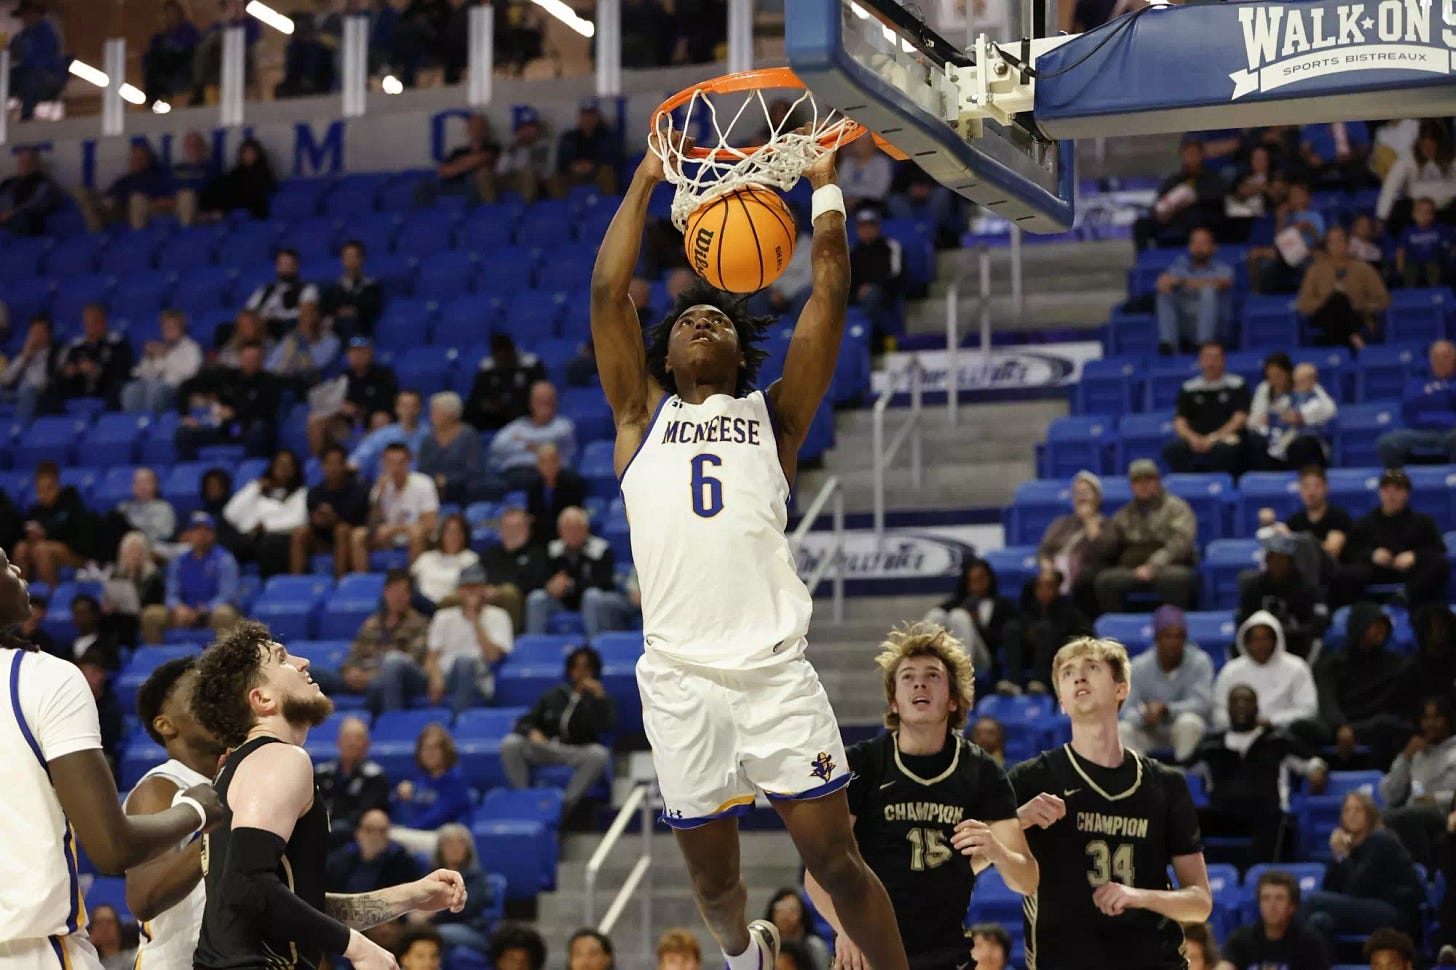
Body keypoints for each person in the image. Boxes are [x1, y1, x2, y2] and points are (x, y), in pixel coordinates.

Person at [592, 139, 909, 970]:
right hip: (679, 676)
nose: (705, 321)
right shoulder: (639, 416)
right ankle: (743, 956)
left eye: (720, 320)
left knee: (837, 863)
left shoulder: (778, 420)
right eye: (692, 319)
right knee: (714, 885)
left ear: (739, 352)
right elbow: (606, 291)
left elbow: (831, 294)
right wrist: (644, 182)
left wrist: (826, 189)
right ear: (665, 357)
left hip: (773, 673)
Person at [190, 621, 467, 970]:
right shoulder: (280, 758)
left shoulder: (246, 766)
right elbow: (247, 886)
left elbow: (288, 907)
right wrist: (360, 949)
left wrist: (408, 896)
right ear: (262, 699)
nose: (304, 661)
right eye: (282, 659)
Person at [0, 546, 223, 970]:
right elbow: (111, 847)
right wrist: (200, 809)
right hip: (29, 949)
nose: (16, 568)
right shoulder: (44, 677)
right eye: (1, 562)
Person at [809, 624, 1036, 970]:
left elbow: (1027, 878)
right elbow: (818, 870)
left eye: (933, 676)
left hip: (945, 953)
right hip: (871, 949)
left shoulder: (982, 771)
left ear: (953, 699)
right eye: (908, 677)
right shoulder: (863, 764)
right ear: (894, 702)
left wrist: (996, 850)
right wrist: (847, 929)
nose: (920, 683)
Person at [1008, 636, 1213, 969]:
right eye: (1068, 672)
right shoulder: (1032, 778)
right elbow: (972, 860)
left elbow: (1200, 903)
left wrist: (1139, 897)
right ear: (1061, 701)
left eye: (1092, 667)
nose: (1079, 676)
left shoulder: (1166, 783)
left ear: (1122, 689)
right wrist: (1018, 820)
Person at [123, 657, 230, 970]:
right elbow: (144, 897)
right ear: (166, 724)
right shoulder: (160, 787)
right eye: (201, 695)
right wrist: (225, 825)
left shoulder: (237, 782)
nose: (216, 703)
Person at [1188, 685, 1327, 865]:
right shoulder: (1212, 745)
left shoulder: (1276, 741)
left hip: (1266, 811)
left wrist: (1318, 772)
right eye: (1235, 701)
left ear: (1257, 707)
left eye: (1247, 701)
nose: (1241, 706)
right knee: (1188, 820)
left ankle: (1262, 874)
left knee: (1276, 820)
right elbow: (1185, 769)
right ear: (1227, 708)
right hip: (1223, 812)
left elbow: (1313, 763)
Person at [500, 645, 615, 816]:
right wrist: (532, 732)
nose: (582, 673)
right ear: (570, 670)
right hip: (547, 747)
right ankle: (523, 799)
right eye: (577, 668)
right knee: (511, 743)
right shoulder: (554, 695)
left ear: (594, 671)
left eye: (587, 668)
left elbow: (606, 726)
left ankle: (563, 807)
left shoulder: (601, 700)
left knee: (599, 754)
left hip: (577, 751)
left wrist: (599, 699)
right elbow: (523, 723)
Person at [1303, 791, 1425, 945]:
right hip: (1365, 909)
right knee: (1319, 920)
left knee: (1314, 901)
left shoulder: (1381, 840)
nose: (1351, 815)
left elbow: (1358, 888)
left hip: (1395, 911)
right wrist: (1337, 856)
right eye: (1347, 810)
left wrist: (1341, 855)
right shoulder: (1349, 846)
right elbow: (1330, 889)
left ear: (1370, 814)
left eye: (1358, 810)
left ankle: (1282, 956)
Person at [1088, 460, 1199, 614]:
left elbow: (1181, 543)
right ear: (1131, 485)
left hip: (1169, 565)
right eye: (1137, 481)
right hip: (1133, 568)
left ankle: (1173, 628)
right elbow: (1112, 546)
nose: (1143, 484)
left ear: (1158, 481)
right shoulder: (1124, 513)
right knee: (1105, 580)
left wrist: (1153, 566)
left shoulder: (1176, 508)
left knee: (1176, 578)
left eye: (1148, 479)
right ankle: (1115, 631)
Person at [1315, 602, 1410, 765]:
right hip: (1340, 724)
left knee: (1389, 725)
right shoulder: (1332, 663)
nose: (1380, 630)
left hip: (1376, 725)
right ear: (1359, 626)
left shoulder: (1396, 663)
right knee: (1302, 728)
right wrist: (1341, 726)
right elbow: (1327, 701)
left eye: (1383, 625)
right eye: (1375, 625)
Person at [1119, 605, 1214, 762]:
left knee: (1190, 722)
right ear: (1156, 638)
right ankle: (1136, 781)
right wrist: (1144, 716)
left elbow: (1202, 704)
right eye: (1167, 636)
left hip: (1181, 728)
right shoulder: (1139, 666)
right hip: (1149, 729)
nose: (1173, 642)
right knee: (1123, 729)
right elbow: (1126, 709)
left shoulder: (1200, 662)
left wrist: (1167, 709)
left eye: (1178, 636)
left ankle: (1185, 777)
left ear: (1185, 639)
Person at [1345, 468, 1450, 608]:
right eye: (1387, 490)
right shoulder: (1365, 523)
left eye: (1397, 490)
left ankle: (1404, 596)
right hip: (1377, 572)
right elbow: (1350, 550)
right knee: (1351, 571)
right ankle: (1350, 607)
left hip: (1413, 576)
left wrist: (1415, 556)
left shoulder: (1423, 522)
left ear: (1406, 493)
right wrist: (1372, 555)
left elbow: (1438, 549)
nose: (1391, 495)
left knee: (1439, 564)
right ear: (1380, 493)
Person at [422, 563, 513, 713]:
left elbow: (493, 657)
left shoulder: (499, 616)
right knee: (394, 662)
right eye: (467, 587)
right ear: (459, 591)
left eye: (476, 587)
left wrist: (475, 621)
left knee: (464, 662)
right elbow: (431, 656)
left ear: (485, 588)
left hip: (478, 678)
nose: (471, 592)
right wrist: (436, 676)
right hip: (444, 676)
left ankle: (460, 721)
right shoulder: (443, 616)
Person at [525, 507, 628, 637]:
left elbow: (605, 583)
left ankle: (594, 646)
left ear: (585, 528)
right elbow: (538, 579)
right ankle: (534, 648)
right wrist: (550, 586)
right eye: (566, 528)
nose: (570, 533)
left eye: (575, 528)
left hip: (589, 602)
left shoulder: (601, 549)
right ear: (560, 531)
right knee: (537, 598)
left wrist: (570, 586)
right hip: (561, 602)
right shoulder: (551, 550)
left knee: (592, 595)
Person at [1380, 696, 1456, 871]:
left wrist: (1435, 798)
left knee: (1407, 814)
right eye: (1425, 719)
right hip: (1411, 817)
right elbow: (1389, 795)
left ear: (1447, 719)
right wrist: (1405, 758)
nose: (1430, 724)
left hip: (1445, 817)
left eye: (1436, 718)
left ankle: (1423, 871)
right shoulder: (1416, 754)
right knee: (1383, 817)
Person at [143, 511, 241, 645]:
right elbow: (171, 592)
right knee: (151, 615)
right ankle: (154, 661)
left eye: (206, 531)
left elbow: (227, 595)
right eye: (196, 530)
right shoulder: (179, 561)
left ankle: (225, 662)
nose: (201, 535)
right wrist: (178, 608)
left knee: (224, 614)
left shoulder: (224, 559)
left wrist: (206, 608)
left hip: (210, 614)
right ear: (189, 534)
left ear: (213, 534)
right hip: (183, 612)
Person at [175, 340, 281, 460]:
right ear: (240, 358)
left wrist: (234, 413)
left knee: (259, 428)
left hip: (245, 429)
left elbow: (265, 410)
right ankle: (187, 472)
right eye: (247, 358)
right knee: (184, 432)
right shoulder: (227, 376)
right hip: (224, 429)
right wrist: (185, 415)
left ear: (261, 360)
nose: (250, 362)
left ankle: (252, 470)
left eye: (255, 358)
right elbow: (187, 385)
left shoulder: (269, 381)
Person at [344, 568, 430, 713]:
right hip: (360, 677)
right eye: (393, 591)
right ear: (385, 593)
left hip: (395, 679)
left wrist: (369, 677)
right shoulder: (371, 623)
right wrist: (351, 672)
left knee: (389, 666)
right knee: (310, 673)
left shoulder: (420, 624)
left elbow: (412, 660)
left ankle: (386, 724)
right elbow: (353, 655)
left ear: (410, 595)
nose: (397, 597)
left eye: (402, 592)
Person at [921, 557, 1019, 681]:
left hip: (983, 658)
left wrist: (976, 623)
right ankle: (925, 668)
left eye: (981, 579)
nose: (977, 584)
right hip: (947, 656)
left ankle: (962, 679)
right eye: (973, 580)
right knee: (936, 614)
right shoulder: (957, 602)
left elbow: (1003, 639)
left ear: (989, 579)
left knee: (959, 616)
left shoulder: (1003, 605)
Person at [1295, 224, 1391, 350]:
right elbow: (1303, 303)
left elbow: (1383, 300)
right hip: (1323, 315)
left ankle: (1336, 349)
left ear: (1348, 243)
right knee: (1337, 299)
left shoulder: (1363, 268)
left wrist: (1358, 304)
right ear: (1327, 246)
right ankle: (1354, 339)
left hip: (1356, 315)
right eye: (1332, 242)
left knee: (1340, 302)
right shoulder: (1315, 270)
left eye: (1340, 240)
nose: (1337, 245)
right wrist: (1326, 301)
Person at [1213, 869, 1330, 970]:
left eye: (1279, 898)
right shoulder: (1241, 939)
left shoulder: (1309, 943)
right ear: (1259, 904)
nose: (1272, 905)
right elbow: (1225, 965)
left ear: (1292, 906)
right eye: (1266, 898)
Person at [1163, 340, 1251, 475]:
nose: (1211, 363)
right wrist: (1192, 438)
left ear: (1223, 360)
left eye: (1215, 358)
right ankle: (1187, 484)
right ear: (1200, 361)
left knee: (1225, 449)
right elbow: (1180, 421)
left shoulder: (1237, 385)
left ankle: (1219, 485)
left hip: (1225, 437)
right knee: (1172, 448)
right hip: (1196, 437)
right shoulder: (1189, 388)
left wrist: (1214, 438)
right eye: (1206, 358)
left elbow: (1239, 419)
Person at [350, 443, 440, 573]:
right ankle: (363, 581)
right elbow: (372, 523)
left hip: (413, 537)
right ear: (384, 464)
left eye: (400, 463)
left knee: (416, 532)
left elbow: (430, 523)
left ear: (409, 462)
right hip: (387, 539)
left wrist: (395, 530)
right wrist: (378, 498)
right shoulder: (380, 486)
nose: (396, 468)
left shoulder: (423, 483)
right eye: (391, 463)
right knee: (358, 535)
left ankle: (413, 581)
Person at [388, 724, 473, 856]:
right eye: (425, 749)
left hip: (446, 839)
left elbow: (439, 815)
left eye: (434, 748)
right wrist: (399, 793)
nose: (429, 754)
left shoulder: (455, 779)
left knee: (388, 836)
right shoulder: (420, 780)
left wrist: (408, 829)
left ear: (446, 751)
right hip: (419, 835)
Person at [1237, 532, 1325, 659]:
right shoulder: (1254, 587)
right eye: (1273, 559)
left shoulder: (1305, 588)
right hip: (1260, 645)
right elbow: (1243, 621)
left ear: (1290, 561)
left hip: (1295, 644)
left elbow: (1316, 623)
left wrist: (1291, 631)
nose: (1278, 564)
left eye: (1282, 559)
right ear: (1267, 560)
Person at [223, 448, 308, 578]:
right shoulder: (257, 491)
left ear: (294, 469)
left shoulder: (301, 493)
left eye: (288, 465)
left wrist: (266, 525)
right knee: (224, 542)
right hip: (249, 538)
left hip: (278, 538)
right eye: (279, 464)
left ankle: (269, 589)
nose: (283, 468)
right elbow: (230, 513)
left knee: (271, 544)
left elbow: (298, 520)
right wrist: (254, 488)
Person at [291, 444, 371, 577]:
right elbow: (312, 520)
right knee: (299, 532)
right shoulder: (315, 492)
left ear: (345, 465)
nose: (333, 468)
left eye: (337, 463)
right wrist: (317, 520)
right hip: (323, 541)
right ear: (322, 466)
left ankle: (339, 581)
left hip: (349, 538)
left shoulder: (359, 490)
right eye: (328, 463)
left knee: (342, 529)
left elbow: (357, 520)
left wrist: (334, 518)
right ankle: (295, 581)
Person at [1246, 357, 1336, 471]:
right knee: (1255, 443)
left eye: (1278, 376)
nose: (1274, 381)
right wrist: (1264, 420)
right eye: (1270, 377)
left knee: (1300, 445)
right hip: (1277, 439)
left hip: (1305, 439)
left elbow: (1330, 410)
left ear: (1288, 374)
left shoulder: (1311, 388)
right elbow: (1253, 421)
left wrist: (1302, 418)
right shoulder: (1267, 389)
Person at [1377, 339, 1456, 468]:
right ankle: (1400, 483)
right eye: (1436, 357)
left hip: (1450, 431)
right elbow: (1408, 407)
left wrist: (1432, 398)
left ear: (1454, 359)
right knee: (1387, 443)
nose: (1440, 361)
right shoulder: (1417, 382)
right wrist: (1444, 398)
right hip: (1419, 431)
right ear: (1430, 360)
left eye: (1445, 356)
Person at [1154, 228, 1234, 354]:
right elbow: (1161, 282)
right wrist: (1166, 283)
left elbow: (1220, 284)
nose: (1198, 247)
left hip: (1216, 324)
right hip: (1184, 320)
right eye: (1195, 243)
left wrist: (1181, 282)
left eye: (1203, 243)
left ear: (1214, 247)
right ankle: (1169, 345)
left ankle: (1203, 345)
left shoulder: (1223, 268)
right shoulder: (1180, 265)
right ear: (1189, 247)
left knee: (1208, 291)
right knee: (1164, 293)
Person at [1011, 566, 1093, 691]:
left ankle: (1040, 681)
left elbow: (1085, 634)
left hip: (1058, 656)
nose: (1044, 591)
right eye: (1040, 587)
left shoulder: (1069, 610)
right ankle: (1013, 682)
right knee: (1011, 629)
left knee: (1044, 629)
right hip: (1029, 655)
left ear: (1057, 588)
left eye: (1049, 586)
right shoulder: (1028, 610)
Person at [315, 716, 392, 848]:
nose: (352, 743)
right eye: (347, 738)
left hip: (357, 836)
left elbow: (367, 813)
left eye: (358, 738)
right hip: (322, 830)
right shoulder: (322, 773)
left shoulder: (376, 777)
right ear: (338, 742)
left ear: (367, 744)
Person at [14, 461, 94, 585]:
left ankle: (49, 596)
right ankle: (19, 593)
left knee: (42, 550)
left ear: (57, 485)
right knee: (21, 548)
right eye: (40, 489)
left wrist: (46, 533)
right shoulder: (36, 509)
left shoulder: (71, 500)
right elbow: (22, 529)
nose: (44, 494)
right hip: (43, 546)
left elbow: (76, 532)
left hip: (75, 552)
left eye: (49, 488)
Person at [487, 381, 578, 490]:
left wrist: (520, 440)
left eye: (548, 400)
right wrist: (527, 446)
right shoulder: (517, 425)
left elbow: (551, 439)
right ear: (531, 403)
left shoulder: (563, 426)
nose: (544, 404)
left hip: (549, 475)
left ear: (555, 403)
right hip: (513, 473)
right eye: (540, 400)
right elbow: (498, 446)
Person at [422, 825, 495, 953]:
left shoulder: (476, 875)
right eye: (449, 843)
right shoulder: (432, 874)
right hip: (436, 925)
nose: (455, 848)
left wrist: (434, 913)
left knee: (435, 935)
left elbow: (467, 907)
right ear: (440, 849)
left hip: (471, 928)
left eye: (460, 843)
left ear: (468, 849)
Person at [121, 309, 204, 415]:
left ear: (182, 328)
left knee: (157, 389)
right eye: (165, 328)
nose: (168, 331)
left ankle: (155, 423)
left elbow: (190, 374)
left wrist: (168, 355)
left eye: (172, 327)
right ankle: (134, 423)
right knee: (131, 389)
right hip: (154, 385)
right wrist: (149, 358)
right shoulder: (159, 347)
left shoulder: (192, 348)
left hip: (178, 387)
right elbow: (144, 375)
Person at [326, 808, 421, 898]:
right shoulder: (341, 859)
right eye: (369, 830)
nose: (375, 836)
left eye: (381, 831)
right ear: (358, 833)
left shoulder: (403, 863)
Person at [477, 506, 546, 631]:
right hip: (486, 599)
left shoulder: (537, 554)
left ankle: (510, 642)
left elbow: (537, 585)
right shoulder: (489, 554)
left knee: (509, 593)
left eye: (516, 528)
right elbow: (478, 576)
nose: (511, 532)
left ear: (527, 529)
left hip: (520, 604)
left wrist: (499, 591)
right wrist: (485, 589)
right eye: (507, 528)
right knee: (453, 600)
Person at [54, 304, 135, 409]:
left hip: (106, 391)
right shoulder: (76, 347)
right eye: (88, 322)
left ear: (104, 322)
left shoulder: (118, 344)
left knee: (119, 390)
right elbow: (64, 370)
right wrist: (70, 371)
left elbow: (123, 373)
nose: (91, 325)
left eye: (96, 321)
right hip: (79, 390)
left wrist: (96, 370)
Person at [464, 333, 548, 432]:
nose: (502, 361)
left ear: (512, 351)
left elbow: (541, 393)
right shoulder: (486, 369)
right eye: (498, 357)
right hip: (494, 417)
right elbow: (476, 397)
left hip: (523, 414)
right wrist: (487, 404)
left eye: (505, 356)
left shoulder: (531, 365)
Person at [416, 392, 484, 505]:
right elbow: (423, 469)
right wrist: (435, 481)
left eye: (435, 412)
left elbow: (474, 470)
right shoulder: (428, 439)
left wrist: (447, 480)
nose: (431, 415)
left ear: (450, 414)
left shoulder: (468, 435)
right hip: (434, 490)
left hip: (464, 489)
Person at [350, 390, 431, 480]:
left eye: (413, 406)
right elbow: (358, 458)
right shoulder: (383, 434)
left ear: (420, 408)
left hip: (419, 486)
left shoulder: (430, 435)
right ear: (397, 408)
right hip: (386, 485)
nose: (409, 411)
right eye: (404, 406)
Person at [7, 0, 65, 120]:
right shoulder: (22, 35)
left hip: (46, 76)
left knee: (30, 79)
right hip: (24, 74)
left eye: (28, 14)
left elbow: (42, 59)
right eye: (23, 15)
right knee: (6, 78)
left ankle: (26, 116)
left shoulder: (47, 32)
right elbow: (11, 53)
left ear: (37, 14)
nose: (25, 18)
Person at [267, 299, 340, 390]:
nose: (307, 319)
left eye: (311, 314)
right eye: (304, 315)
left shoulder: (331, 340)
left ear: (319, 317)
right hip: (283, 380)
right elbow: (271, 365)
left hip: (311, 383)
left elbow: (319, 363)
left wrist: (306, 340)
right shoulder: (290, 339)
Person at [410, 513, 480, 606]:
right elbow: (409, 581)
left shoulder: (470, 559)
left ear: (464, 536)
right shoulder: (426, 557)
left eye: (458, 532)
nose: (453, 537)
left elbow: (470, 592)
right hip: (421, 606)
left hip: (452, 606)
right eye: (449, 532)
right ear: (442, 535)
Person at [526, 443, 588, 545]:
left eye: (552, 461)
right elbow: (533, 517)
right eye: (543, 462)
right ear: (538, 465)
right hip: (541, 539)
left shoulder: (573, 483)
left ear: (559, 462)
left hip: (568, 537)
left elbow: (574, 514)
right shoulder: (533, 487)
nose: (548, 466)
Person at [200, 137, 276, 220]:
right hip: (235, 196)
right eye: (246, 152)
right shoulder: (237, 171)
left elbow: (267, 188)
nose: (249, 155)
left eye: (252, 153)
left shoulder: (264, 172)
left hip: (252, 199)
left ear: (258, 154)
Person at [553, 104, 619, 197]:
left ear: (597, 118)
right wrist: (573, 166)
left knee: (607, 173)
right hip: (574, 173)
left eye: (591, 116)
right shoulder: (569, 137)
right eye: (585, 116)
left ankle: (610, 207)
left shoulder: (606, 136)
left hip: (596, 173)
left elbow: (613, 158)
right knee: (556, 179)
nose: (588, 120)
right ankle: (562, 209)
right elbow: (561, 161)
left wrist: (593, 165)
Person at [322, 240, 384, 341]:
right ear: (343, 260)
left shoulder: (372, 286)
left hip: (362, 333)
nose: (351, 261)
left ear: (362, 259)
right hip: (335, 333)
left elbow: (374, 308)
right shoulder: (334, 288)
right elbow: (326, 309)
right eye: (347, 257)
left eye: (355, 257)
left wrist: (355, 311)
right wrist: (339, 313)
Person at [1, 314, 59, 421]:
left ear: (48, 334)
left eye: (40, 332)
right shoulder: (24, 353)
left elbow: (45, 382)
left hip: (41, 395)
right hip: (17, 394)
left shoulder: (56, 353)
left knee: (27, 391)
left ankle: (19, 427)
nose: (36, 336)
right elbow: (6, 379)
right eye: (33, 332)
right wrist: (24, 358)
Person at [142, 0, 200, 104]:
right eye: (168, 12)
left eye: (174, 11)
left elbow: (192, 52)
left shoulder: (190, 31)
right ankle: (152, 102)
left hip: (182, 68)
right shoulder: (159, 39)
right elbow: (147, 59)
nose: (171, 15)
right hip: (164, 73)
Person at [0, 147, 60, 237]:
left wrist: (12, 212)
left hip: (26, 220)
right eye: (22, 161)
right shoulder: (8, 182)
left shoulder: (43, 182)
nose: (25, 165)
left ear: (37, 164)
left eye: (30, 161)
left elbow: (37, 202)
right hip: (5, 218)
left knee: (23, 220)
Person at [762, 890, 829, 970]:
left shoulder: (814, 946)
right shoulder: (761, 945)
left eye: (792, 909)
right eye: (780, 908)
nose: (786, 914)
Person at [1396, 196, 1455, 288]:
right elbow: (1401, 249)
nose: (1425, 215)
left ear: (1433, 215)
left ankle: (1436, 290)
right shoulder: (1408, 231)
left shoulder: (1440, 229)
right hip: (1413, 262)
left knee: (1434, 267)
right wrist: (1400, 265)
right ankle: (1410, 292)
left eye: (1429, 212)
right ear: (1414, 214)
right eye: (1421, 212)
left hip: (1435, 262)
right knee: (1410, 269)